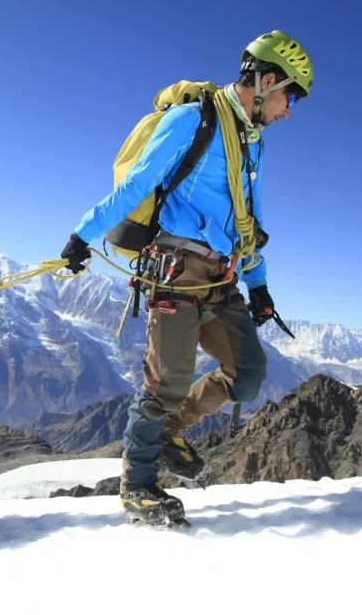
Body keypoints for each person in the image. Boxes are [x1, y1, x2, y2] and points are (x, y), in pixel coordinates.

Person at [59, 31, 314, 526]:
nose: (289, 110)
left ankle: (173, 430)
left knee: (249, 377)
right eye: (291, 95)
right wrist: (81, 236)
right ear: (265, 82)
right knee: (166, 382)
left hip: (222, 278)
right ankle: (138, 487)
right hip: (175, 271)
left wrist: (259, 288)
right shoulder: (191, 120)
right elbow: (138, 184)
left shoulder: (252, 145)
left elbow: (248, 225)